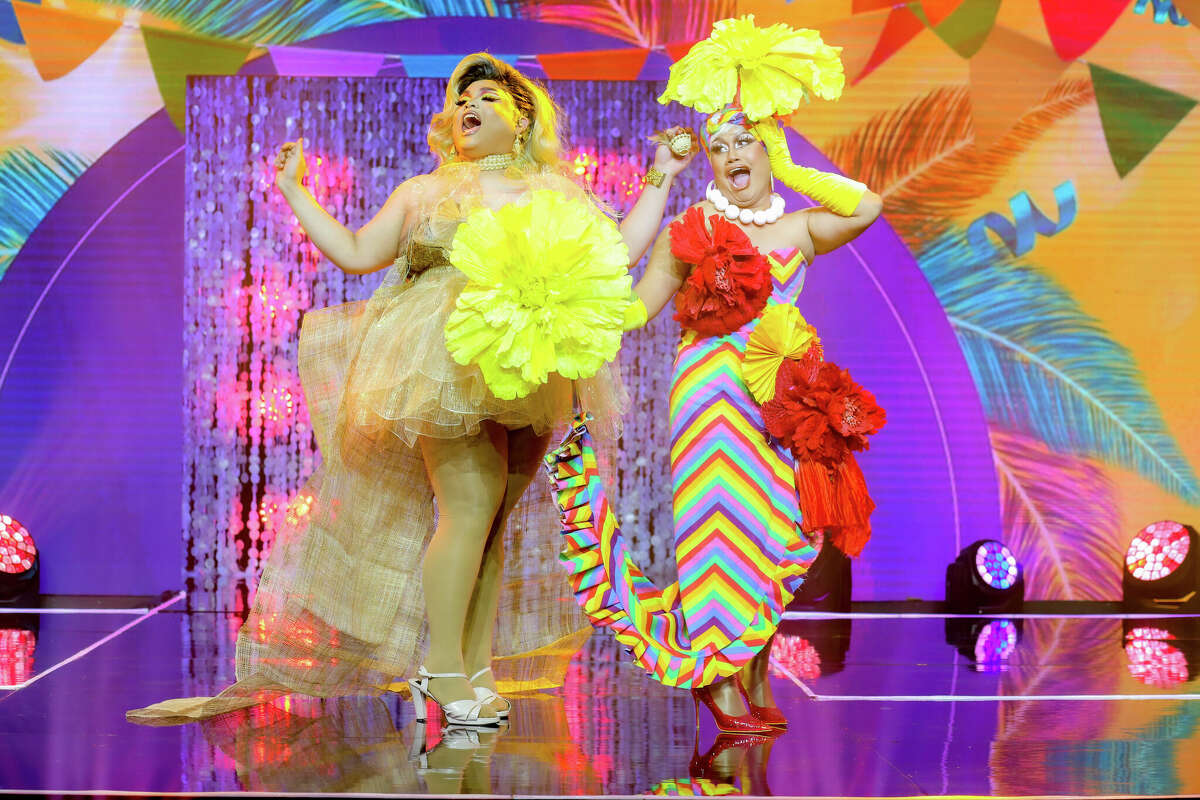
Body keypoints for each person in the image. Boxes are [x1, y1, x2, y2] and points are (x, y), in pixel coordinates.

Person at [128, 52, 694, 727]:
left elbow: (620, 251)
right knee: (464, 513)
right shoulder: (425, 190)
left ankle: (476, 670)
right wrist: (295, 190)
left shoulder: (553, 189)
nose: (467, 107)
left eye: (484, 96)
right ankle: (442, 672)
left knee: (493, 528)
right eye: (458, 101)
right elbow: (360, 253)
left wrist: (663, 176)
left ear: (519, 119)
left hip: (534, 356)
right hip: (446, 358)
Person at [545, 18, 885, 733]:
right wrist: (567, 310)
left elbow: (868, 205)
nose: (730, 153)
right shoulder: (691, 227)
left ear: (769, 149)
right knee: (719, 533)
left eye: (745, 142)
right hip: (709, 401)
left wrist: (794, 169)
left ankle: (750, 670)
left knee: (773, 533)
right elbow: (636, 311)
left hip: (777, 409)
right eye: (719, 145)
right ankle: (716, 680)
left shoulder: (797, 229)